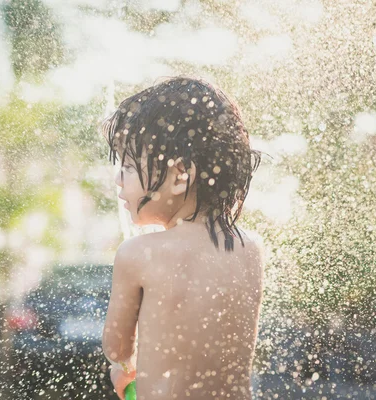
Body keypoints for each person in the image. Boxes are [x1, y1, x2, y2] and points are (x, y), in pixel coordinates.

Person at [100, 77, 264, 400]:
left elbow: (116, 345)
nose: (118, 178)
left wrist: (122, 367)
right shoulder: (251, 249)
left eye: (130, 166)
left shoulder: (138, 255)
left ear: (179, 176)